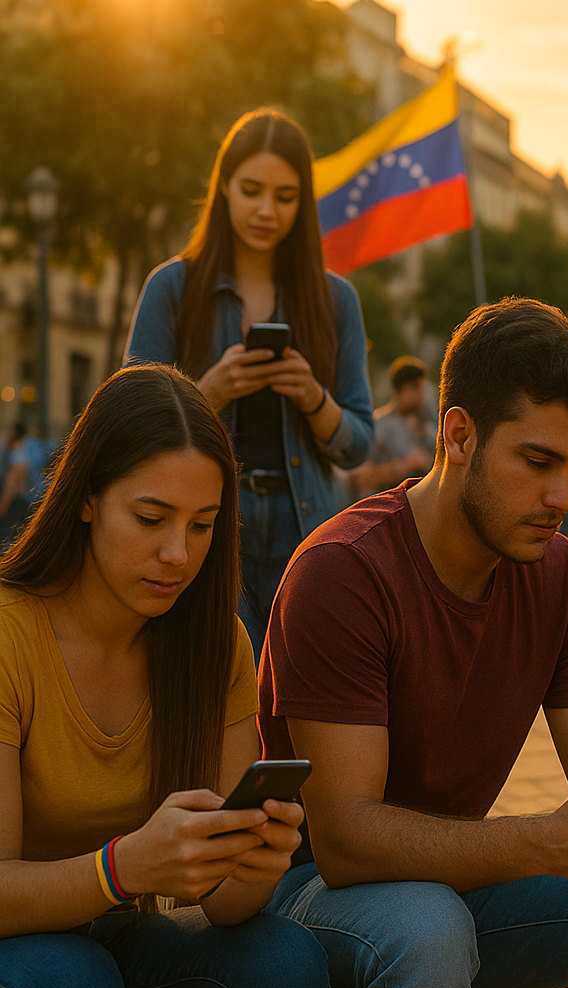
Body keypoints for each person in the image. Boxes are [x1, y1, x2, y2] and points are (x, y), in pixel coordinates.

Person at [260, 298, 568, 988]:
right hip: (309, 909)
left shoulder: (560, 574)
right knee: (427, 924)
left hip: (452, 894)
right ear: (460, 435)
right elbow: (342, 841)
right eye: (538, 461)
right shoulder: (341, 572)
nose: (563, 497)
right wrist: (545, 840)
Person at [0, 365, 327, 988]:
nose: (177, 554)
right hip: (22, 946)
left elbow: (221, 902)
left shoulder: (216, 644)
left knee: (285, 959)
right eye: (151, 518)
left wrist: (256, 859)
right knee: (74, 981)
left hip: (116, 938)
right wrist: (122, 870)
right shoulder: (11, 636)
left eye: (202, 525)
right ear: (87, 497)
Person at [125, 108, 373, 652]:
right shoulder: (173, 287)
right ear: (224, 189)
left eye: (285, 197)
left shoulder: (335, 301)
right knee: (217, 698)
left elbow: (358, 444)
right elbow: (125, 426)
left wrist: (313, 397)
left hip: (304, 521)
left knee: (300, 700)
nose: (267, 210)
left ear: (303, 204)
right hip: (205, 525)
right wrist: (205, 393)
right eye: (251, 189)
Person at [350, 355, 435, 496]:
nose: (422, 396)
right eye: (417, 389)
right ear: (404, 389)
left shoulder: (425, 424)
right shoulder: (379, 425)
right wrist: (407, 465)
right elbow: (359, 477)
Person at [0, 421, 47, 542]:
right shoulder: (34, 444)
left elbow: (15, 479)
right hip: (36, 499)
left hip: (19, 505)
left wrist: (3, 506)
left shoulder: (19, 448)